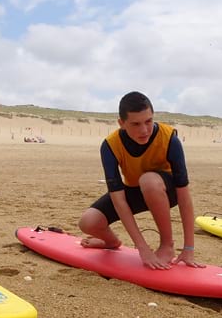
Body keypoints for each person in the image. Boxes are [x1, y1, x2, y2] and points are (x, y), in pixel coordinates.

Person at [78, 91, 202, 270]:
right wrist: (142, 249)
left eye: (148, 121)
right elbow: (119, 199)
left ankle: (167, 245)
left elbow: (184, 196)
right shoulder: (110, 146)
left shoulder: (169, 139)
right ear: (122, 123)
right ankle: (111, 242)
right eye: (135, 124)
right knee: (88, 222)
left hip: (166, 191)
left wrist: (189, 248)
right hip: (134, 190)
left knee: (149, 180)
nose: (144, 130)